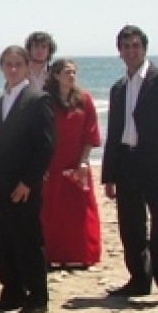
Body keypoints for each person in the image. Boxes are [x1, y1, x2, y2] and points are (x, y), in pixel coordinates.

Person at [102, 25, 158, 307]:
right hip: (126, 162)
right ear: (119, 52)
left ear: (144, 48)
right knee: (130, 226)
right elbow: (114, 132)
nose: (131, 51)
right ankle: (139, 279)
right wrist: (109, 175)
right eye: (126, 46)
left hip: (154, 163)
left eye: (136, 46)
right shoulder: (118, 88)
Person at [0, 45, 55, 313]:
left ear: (25, 67)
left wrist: (28, 182)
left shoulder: (37, 99)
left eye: (17, 64)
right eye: (8, 64)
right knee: (5, 241)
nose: (12, 69)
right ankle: (12, 292)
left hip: (23, 185)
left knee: (28, 240)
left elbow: (45, 147)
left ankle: (37, 295)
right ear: (1, 67)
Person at [41, 59, 103, 269]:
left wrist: (84, 161)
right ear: (56, 75)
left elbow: (90, 133)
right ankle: (52, 254)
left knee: (80, 209)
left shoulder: (84, 99)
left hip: (77, 161)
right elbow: (39, 134)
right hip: (52, 162)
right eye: (67, 72)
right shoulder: (46, 100)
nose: (72, 76)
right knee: (51, 210)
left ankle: (80, 254)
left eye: (74, 72)